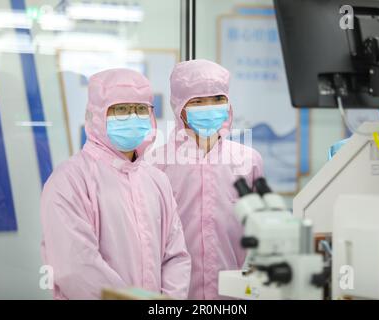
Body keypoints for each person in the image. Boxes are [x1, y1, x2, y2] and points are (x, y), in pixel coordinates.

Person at [40, 68, 191, 299]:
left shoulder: (157, 180)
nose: (133, 116)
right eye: (121, 109)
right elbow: (75, 267)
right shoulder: (69, 181)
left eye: (141, 109)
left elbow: (176, 256)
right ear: (97, 115)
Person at [148, 59, 264, 299]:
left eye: (217, 99)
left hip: (234, 294)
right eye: (198, 101)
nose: (209, 107)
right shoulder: (156, 164)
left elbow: (261, 232)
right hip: (176, 295)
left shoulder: (248, 160)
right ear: (179, 106)